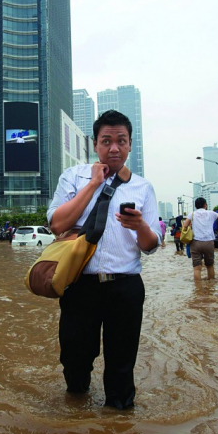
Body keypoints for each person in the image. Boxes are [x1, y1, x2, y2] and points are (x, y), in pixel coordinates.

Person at [47, 110, 161, 410]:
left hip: (125, 287)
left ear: (130, 145)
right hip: (80, 285)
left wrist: (140, 227)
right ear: (95, 145)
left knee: (122, 366)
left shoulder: (143, 187)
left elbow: (151, 246)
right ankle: (76, 414)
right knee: (75, 360)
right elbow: (57, 224)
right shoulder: (73, 177)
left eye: (120, 141)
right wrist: (93, 184)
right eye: (106, 141)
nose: (114, 148)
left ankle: (119, 427)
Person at [182, 197, 218, 281]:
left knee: (197, 268)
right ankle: (210, 287)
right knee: (210, 265)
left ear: (196, 206)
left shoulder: (192, 214)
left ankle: (198, 289)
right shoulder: (211, 213)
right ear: (205, 205)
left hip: (196, 242)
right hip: (209, 242)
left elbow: (185, 226)